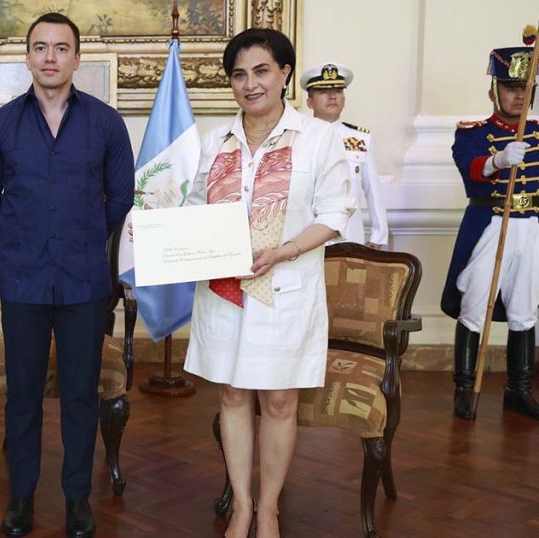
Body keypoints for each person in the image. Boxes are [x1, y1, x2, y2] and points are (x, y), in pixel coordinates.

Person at [181, 28, 354, 538]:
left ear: (284, 74)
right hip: (224, 291)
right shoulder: (215, 141)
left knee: (279, 400)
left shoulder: (318, 138)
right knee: (233, 394)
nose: (250, 84)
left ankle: (269, 509)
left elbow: (336, 212)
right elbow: (196, 210)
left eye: (261, 71)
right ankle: (241, 505)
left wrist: (284, 251)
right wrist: (162, 236)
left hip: (287, 290)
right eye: (239, 75)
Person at [0, 12, 133, 538]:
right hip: (23, 279)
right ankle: (21, 495)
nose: (50, 57)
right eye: (40, 47)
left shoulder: (106, 123)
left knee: (80, 393)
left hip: (85, 280)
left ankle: (76, 497)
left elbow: (120, 198)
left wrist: (79, 232)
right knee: (22, 394)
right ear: (27, 57)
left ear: (77, 58)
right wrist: (28, 232)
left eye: (61, 48)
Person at [442, 37, 539, 420]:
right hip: (491, 226)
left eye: (525, 88)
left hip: (530, 228)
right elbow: (469, 168)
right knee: (474, 305)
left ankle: (519, 390)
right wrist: (497, 161)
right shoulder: (473, 133)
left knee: (525, 309)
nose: (519, 96)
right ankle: (464, 389)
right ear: (493, 90)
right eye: (510, 87)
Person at [301, 62, 389, 248]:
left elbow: (373, 190)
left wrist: (378, 236)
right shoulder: (299, 137)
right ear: (310, 102)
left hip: (350, 237)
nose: (332, 96)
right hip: (307, 239)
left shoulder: (360, 139)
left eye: (338, 90)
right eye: (323, 91)